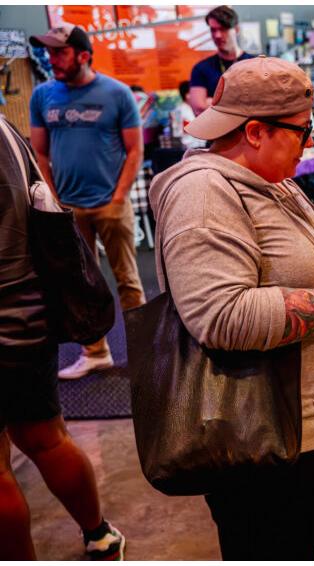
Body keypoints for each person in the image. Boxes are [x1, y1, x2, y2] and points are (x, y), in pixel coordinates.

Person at [148, 56, 314, 560]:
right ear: (255, 131)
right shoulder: (203, 194)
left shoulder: (269, 177)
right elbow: (220, 315)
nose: (310, 142)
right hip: (264, 440)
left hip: (304, 429)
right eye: (303, 131)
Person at [0, 114, 126, 560]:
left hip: (13, 310)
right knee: (46, 438)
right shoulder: (5, 128)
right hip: (28, 317)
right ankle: (100, 536)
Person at [29, 24, 147, 380]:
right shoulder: (43, 96)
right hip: (69, 209)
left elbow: (134, 150)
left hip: (111, 204)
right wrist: (55, 200)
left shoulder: (117, 93)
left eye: (59, 53)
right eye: (49, 53)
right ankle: (96, 353)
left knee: (128, 281)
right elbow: (40, 153)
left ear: (83, 55)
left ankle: (145, 352)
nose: (52, 60)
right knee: (80, 284)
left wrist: (118, 197)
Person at [187, 5, 255, 115]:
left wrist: (213, 103)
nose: (217, 35)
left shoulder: (255, 64)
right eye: (213, 30)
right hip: (215, 131)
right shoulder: (201, 68)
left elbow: (264, 104)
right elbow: (199, 109)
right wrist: (242, 103)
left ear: (236, 29)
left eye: (223, 29)